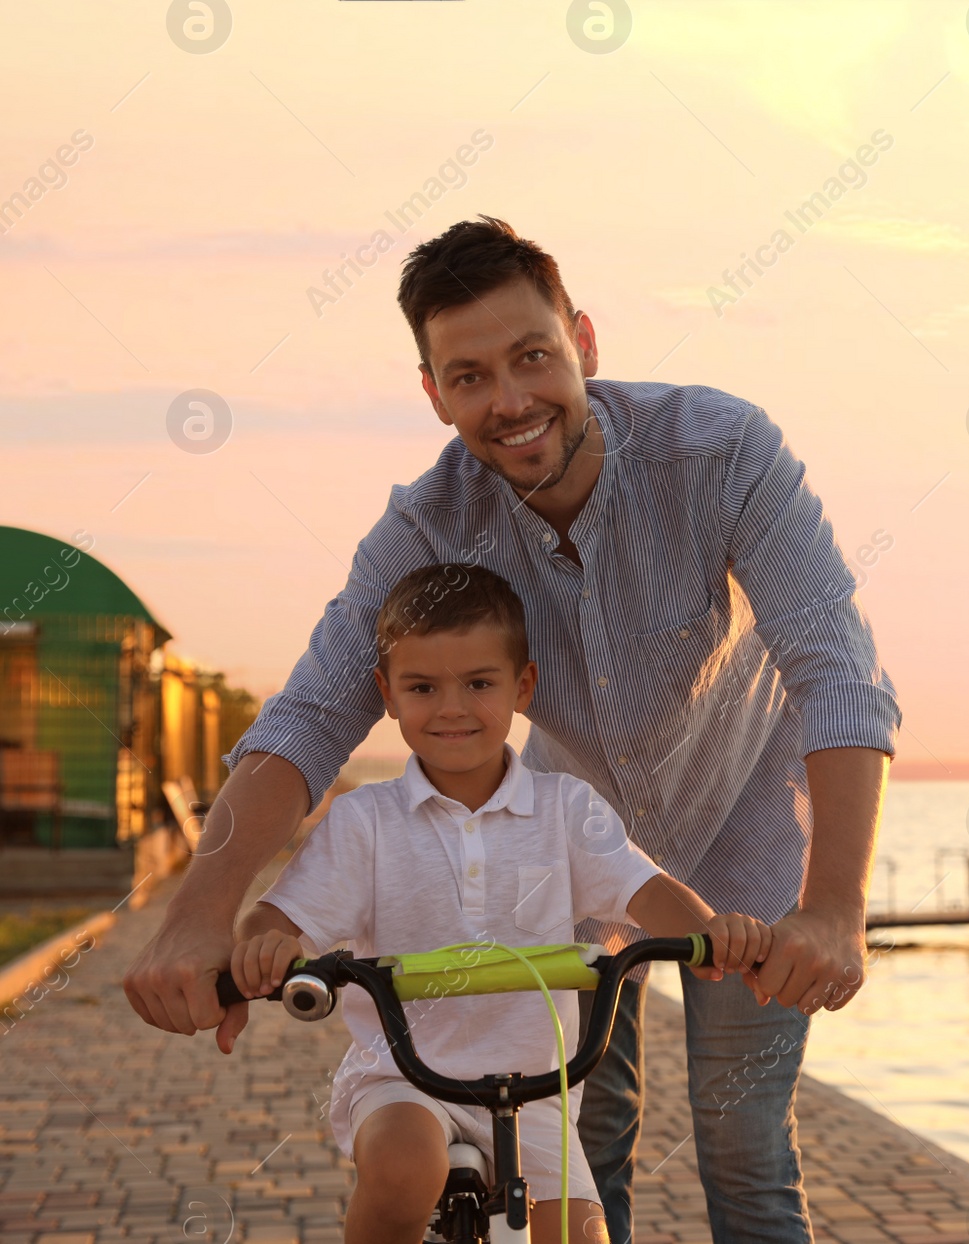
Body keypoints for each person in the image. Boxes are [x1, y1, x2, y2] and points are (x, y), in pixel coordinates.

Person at [124, 214, 901, 1244]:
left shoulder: (720, 452)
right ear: (434, 392)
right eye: (469, 376)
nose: (509, 401)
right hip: (566, 845)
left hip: (749, 839)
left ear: (582, 340)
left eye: (531, 356)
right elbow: (311, 714)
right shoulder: (425, 525)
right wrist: (199, 913)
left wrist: (834, 906)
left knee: (744, 1143)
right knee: (582, 1138)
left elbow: (835, 670)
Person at [220, 563, 773, 1244]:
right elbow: (279, 916)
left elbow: (646, 888)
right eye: (423, 687)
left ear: (523, 687)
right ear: (386, 694)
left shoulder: (565, 809)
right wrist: (263, 942)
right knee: (403, 1169)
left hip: (535, 1089)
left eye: (479, 684)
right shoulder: (364, 821)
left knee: (582, 1238)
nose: (451, 707)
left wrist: (712, 934)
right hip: (401, 1078)